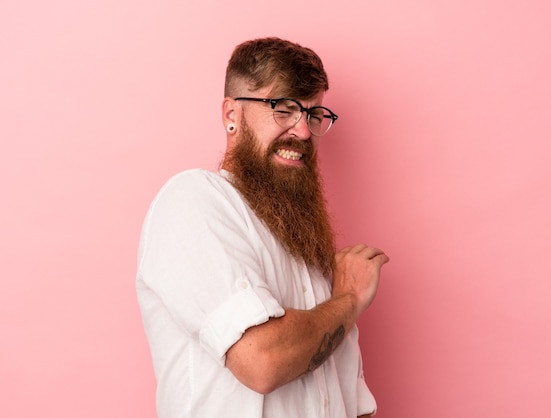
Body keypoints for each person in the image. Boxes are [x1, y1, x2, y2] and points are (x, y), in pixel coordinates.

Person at [136, 37, 389, 418]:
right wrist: (350, 300)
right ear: (231, 114)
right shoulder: (193, 200)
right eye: (284, 109)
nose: (304, 132)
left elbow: (354, 405)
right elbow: (262, 360)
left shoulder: (312, 251)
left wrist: (341, 300)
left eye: (314, 114)